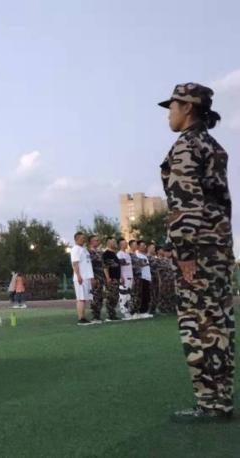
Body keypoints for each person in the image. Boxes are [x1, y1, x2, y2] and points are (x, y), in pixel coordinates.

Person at [159, 83, 234, 422]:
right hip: (218, 246)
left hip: (198, 249)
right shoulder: (213, 146)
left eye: (172, 106)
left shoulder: (186, 146)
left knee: (197, 323)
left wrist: (185, 251)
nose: (169, 114)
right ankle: (221, 399)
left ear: (188, 107)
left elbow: (186, 200)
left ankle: (209, 403)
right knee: (219, 322)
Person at [70, 232, 94, 326]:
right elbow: (75, 263)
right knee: (81, 298)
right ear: (76, 239)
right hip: (81, 277)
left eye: (84, 238)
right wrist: (78, 276)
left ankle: (83, 316)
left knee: (84, 298)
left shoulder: (84, 249)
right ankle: (81, 318)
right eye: (82, 238)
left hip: (86, 277)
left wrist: (91, 277)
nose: (84, 239)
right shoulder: (75, 249)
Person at [100, 238, 121, 321]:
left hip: (116, 278)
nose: (116, 243)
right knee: (111, 297)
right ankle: (110, 315)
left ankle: (113, 314)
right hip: (111, 279)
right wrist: (108, 278)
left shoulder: (114, 253)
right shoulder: (106, 254)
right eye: (114, 242)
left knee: (115, 296)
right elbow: (105, 267)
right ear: (109, 243)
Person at [88, 235, 105, 322]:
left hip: (101, 277)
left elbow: (103, 265)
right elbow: (88, 266)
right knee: (95, 297)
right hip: (95, 277)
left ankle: (98, 315)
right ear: (91, 242)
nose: (97, 242)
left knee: (100, 297)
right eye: (95, 240)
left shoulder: (100, 252)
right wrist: (92, 278)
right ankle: (94, 316)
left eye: (98, 240)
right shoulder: (89, 253)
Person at [156, 245, 178, 314]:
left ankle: (171, 308)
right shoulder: (160, 260)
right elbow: (158, 271)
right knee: (163, 295)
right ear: (164, 252)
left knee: (171, 294)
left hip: (172, 280)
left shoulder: (172, 260)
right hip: (164, 280)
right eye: (167, 252)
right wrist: (159, 280)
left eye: (170, 252)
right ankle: (162, 308)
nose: (169, 253)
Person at [136, 241, 153, 318]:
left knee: (147, 295)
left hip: (147, 277)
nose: (144, 247)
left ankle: (145, 311)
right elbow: (139, 265)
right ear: (138, 246)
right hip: (142, 277)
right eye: (142, 245)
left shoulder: (144, 255)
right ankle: (142, 311)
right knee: (143, 295)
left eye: (144, 245)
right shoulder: (137, 255)